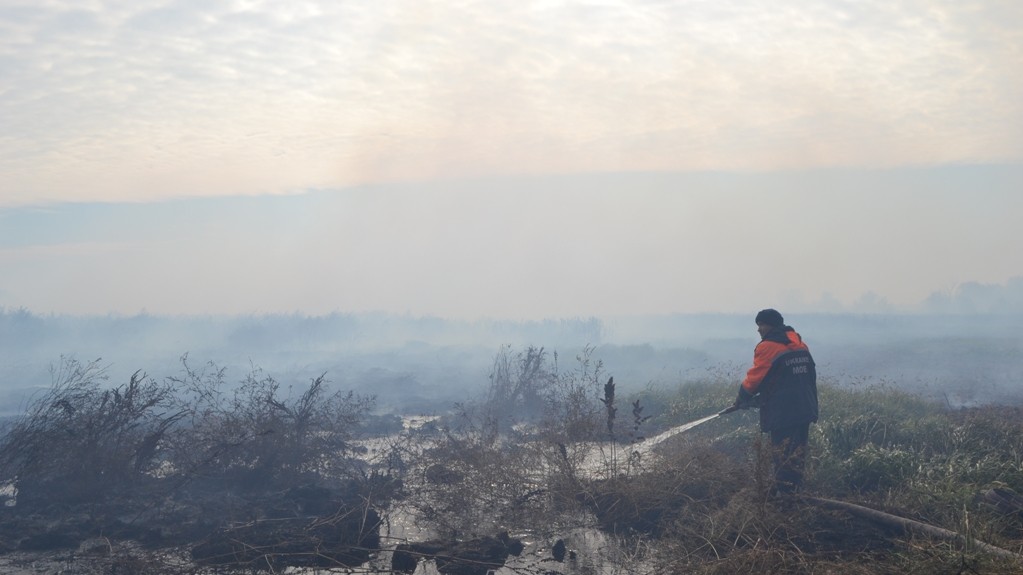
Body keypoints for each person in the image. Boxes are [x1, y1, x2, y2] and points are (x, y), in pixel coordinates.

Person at [734, 308, 818, 495]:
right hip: (805, 407)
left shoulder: (768, 347)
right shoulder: (800, 344)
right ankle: (795, 490)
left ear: (770, 325)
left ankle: (783, 494)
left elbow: (754, 380)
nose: (759, 330)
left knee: (781, 453)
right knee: (797, 453)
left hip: (783, 412)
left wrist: (741, 398)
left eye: (761, 325)